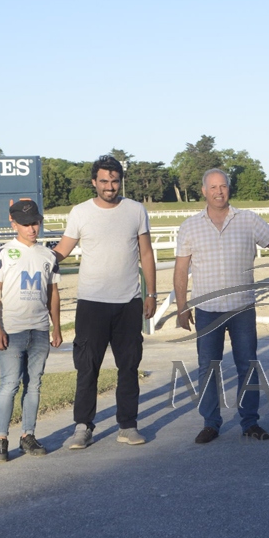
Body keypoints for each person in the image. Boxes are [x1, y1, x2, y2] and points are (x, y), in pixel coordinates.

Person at [174, 168, 269, 444]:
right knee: (208, 368)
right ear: (204, 191)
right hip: (207, 310)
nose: (219, 191)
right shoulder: (190, 226)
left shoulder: (248, 220)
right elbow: (181, 269)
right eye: (213, 187)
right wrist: (182, 307)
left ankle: (250, 422)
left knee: (248, 366)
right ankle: (211, 423)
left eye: (223, 186)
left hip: (242, 308)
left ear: (229, 189)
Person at [53, 155, 157, 450]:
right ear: (93, 182)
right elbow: (62, 250)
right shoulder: (80, 212)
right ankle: (83, 427)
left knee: (129, 366)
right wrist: (35, 258)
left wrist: (151, 294)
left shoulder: (135, 210)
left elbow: (146, 253)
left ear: (120, 181)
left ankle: (128, 426)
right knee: (87, 368)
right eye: (104, 181)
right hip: (91, 303)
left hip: (128, 302)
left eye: (114, 181)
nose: (109, 187)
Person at [0, 201, 62, 462]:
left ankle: (28, 435)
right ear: (14, 223)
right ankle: (0, 439)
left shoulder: (48, 255)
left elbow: (53, 293)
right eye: (26, 224)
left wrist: (56, 327)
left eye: (35, 223)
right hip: (12, 330)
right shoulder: (2, 253)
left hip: (39, 329)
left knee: (34, 385)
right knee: (9, 384)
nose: (32, 229)